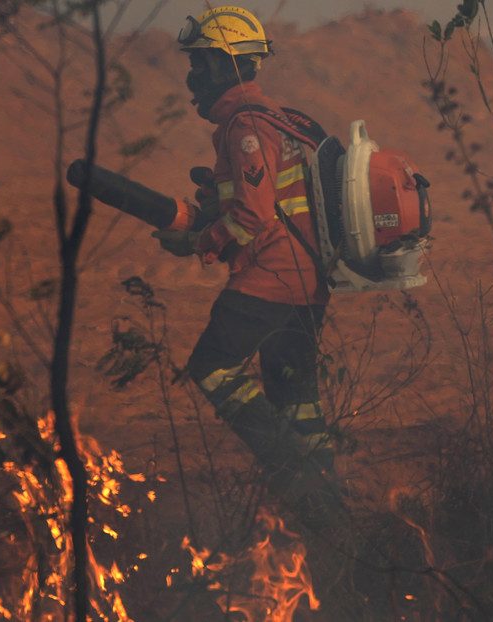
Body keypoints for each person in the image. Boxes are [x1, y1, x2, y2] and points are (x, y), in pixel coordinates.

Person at [153, 5, 342, 530]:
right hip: (308, 284)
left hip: (268, 280)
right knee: (297, 401)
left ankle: (290, 475)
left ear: (225, 66)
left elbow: (256, 216)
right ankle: (330, 515)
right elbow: (272, 197)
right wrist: (216, 202)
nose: (192, 76)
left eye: (199, 64)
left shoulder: (246, 126)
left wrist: (199, 241)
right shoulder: (289, 120)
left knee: (212, 366)